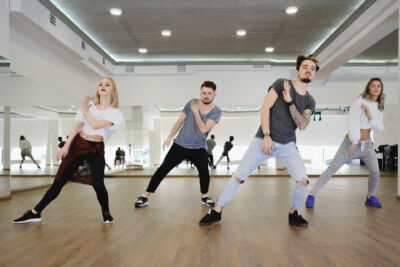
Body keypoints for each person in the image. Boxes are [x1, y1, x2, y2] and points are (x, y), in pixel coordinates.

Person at [199, 55, 319, 227]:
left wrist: (290, 101)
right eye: (305, 66)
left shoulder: (310, 100)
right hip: (263, 140)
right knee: (239, 176)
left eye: (313, 68)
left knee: (302, 180)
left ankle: (294, 212)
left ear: (314, 74)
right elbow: (264, 108)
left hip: (288, 145)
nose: (309, 70)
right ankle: (216, 211)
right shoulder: (280, 83)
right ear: (298, 69)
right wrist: (267, 135)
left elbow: (302, 125)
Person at [13, 77, 123, 224]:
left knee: (98, 184)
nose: (103, 86)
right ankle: (35, 212)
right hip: (78, 145)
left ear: (112, 90)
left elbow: (96, 125)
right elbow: (78, 125)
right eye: (100, 84)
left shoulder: (115, 112)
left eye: (107, 85)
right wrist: (66, 145)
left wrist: (85, 111)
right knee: (59, 181)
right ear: (98, 89)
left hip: (96, 149)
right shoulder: (89, 104)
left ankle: (106, 212)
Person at [134, 81, 222, 208]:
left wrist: (196, 112)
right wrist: (169, 137)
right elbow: (180, 120)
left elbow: (204, 129)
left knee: (204, 172)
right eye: (204, 93)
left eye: (209, 93)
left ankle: (204, 197)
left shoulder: (216, 111)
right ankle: (145, 196)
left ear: (215, 94)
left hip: (199, 147)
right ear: (200, 93)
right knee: (162, 169)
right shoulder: (192, 102)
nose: (206, 95)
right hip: (180, 145)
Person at [305, 77, 385, 208]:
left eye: (378, 86)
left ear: (381, 89)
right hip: (351, 143)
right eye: (373, 86)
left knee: (375, 172)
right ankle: (312, 195)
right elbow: (352, 121)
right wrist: (354, 141)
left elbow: (379, 127)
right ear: (368, 88)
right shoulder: (360, 101)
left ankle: (370, 196)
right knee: (333, 168)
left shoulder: (379, 106)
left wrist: (370, 115)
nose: (376, 88)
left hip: (367, 145)